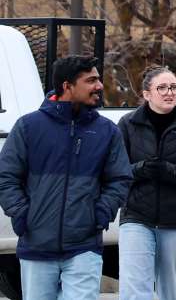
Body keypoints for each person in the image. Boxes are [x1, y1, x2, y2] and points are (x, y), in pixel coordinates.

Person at [0, 55, 132, 300]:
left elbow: (120, 179)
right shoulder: (28, 127)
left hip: (84, 247)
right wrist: (22, 215)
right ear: (67, 86)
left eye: (99, 79)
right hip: (36, 246)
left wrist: (100, 214)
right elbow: (5, 177)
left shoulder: (107, 132)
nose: (99, 86)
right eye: (91, 80)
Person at [117, 66, 176, 300]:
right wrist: (141, 169)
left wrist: (168, 171)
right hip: (136, 218)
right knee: (134, 290)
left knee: (172, 291)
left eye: (173, 87)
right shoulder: (128, 124)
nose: (169, 93)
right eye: (162, 88)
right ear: (147, 94)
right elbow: (115, 172)